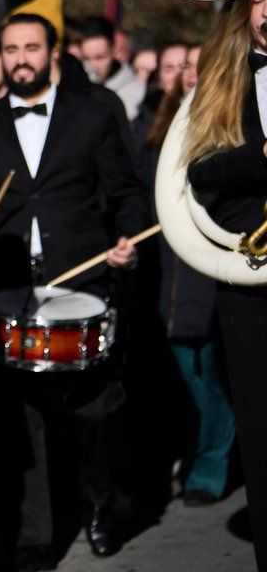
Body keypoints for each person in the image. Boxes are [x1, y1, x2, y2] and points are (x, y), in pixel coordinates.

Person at [0, 12, 148, 568]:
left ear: (52, 53)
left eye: (31, 48)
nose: (19, 58)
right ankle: (37, 535)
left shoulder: (90, 116)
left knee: (97, 410)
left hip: (84, 279)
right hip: (10, 284)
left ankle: (102, 505)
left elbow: (126, 191)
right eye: (11, 49)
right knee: (24, 416)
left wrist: (127, 238)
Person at [184, 0, 267, 570]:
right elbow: (204, 172)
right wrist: (261, 157)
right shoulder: (225, 76)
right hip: (249, 276)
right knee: (262, 435)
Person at [141, 45, 234, 507]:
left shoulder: (229, 125)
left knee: (212, 375)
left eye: (200, 65)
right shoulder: (155, 132)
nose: (190, 74)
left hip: (208, 273)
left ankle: (212, 464)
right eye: (180, 67)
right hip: (165, 274)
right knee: (186, 373)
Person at [80, 16, 146, 121]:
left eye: (100, 57)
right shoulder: (77, 87)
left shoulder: (136, 92)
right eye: (86, 58)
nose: (92, 66)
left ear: (114, 50)